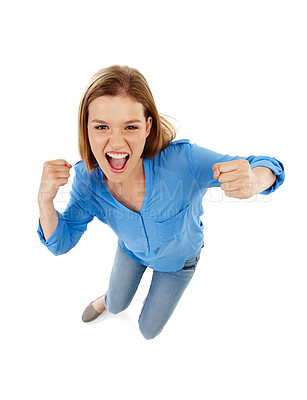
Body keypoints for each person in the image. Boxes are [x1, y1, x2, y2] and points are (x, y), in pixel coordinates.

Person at [37, 65, 285, 340]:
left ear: (148, 126)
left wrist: (255, 180)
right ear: (87, 128)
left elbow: (266, 165)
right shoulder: (87, 181)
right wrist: (45, 201)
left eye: (130, 126)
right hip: (131, 252)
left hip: (179, 263)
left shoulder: (184, 162)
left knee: (147, 330)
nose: (116, 142)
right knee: (117, 304)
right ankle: (107, 300)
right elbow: (60, 243)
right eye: (102, 126)